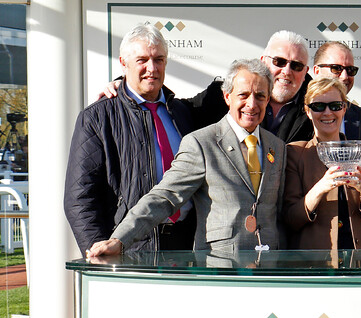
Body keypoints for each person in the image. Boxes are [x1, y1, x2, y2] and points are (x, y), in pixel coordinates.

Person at [86, 59, 286, 257]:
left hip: (268, 267)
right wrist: (120, 240)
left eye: (260, 96)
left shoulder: (277, 147)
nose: (252, 104)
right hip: (220, 267)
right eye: (243, 95)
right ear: (227, 97)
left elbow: (277, 213)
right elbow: (165, 197)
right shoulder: (202, 143)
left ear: (268, 99)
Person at [65, 23, 195, 253]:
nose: (152, 68)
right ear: (123, 63)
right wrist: (99, 253)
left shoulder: (183, 113)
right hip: (129, 249)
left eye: (159, 59)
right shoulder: (98, 117)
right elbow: (80, 197)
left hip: (186, 245)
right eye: (142, 60)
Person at [101, 30, 315, 143]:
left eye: (296, 65)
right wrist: (127, 85)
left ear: (306, 71)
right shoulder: (221, 93)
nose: (286, 71)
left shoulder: (318, 106)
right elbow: (178, 109)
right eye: (279, 61)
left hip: (290, 217)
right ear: (264, 60)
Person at [282, 78, 361, 249]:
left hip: (358, 262)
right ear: (308, 111)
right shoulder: (295, 154)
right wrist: (320, 188)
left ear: (344, 108)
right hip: (315, 265)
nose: (327, 112)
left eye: (335, 106)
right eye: (318, 106)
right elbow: (290, 219)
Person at [312, 42, 361, 152]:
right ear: (317, 71)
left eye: (350, 70)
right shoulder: (297, 116)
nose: (344, 77)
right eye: (336, 68)